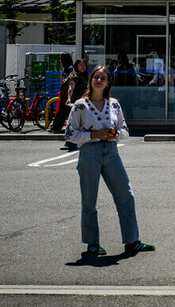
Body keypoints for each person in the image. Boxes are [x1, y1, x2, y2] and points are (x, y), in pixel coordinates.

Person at [65, 66, 155, 256]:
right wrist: (93, 134)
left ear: (108, 82)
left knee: (126, 195)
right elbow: (70, 133)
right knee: (89, 199)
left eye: (103, 78)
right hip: (90, 151)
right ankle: (92, 243)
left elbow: (125, 131)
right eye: (96, 77)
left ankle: (132, 240)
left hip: (112, 151)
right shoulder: (80, 105)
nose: (99, 80)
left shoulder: (114, 104)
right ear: (91, 81)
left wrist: (115, 134)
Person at [49, 52, 73, 133]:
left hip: (66, 92)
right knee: (64, 111)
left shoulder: (69, 68)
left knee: (62, 111)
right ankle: (57, 127)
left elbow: (70, 79)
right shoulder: (69, 67)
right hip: (66, 92)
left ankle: (56, 127)